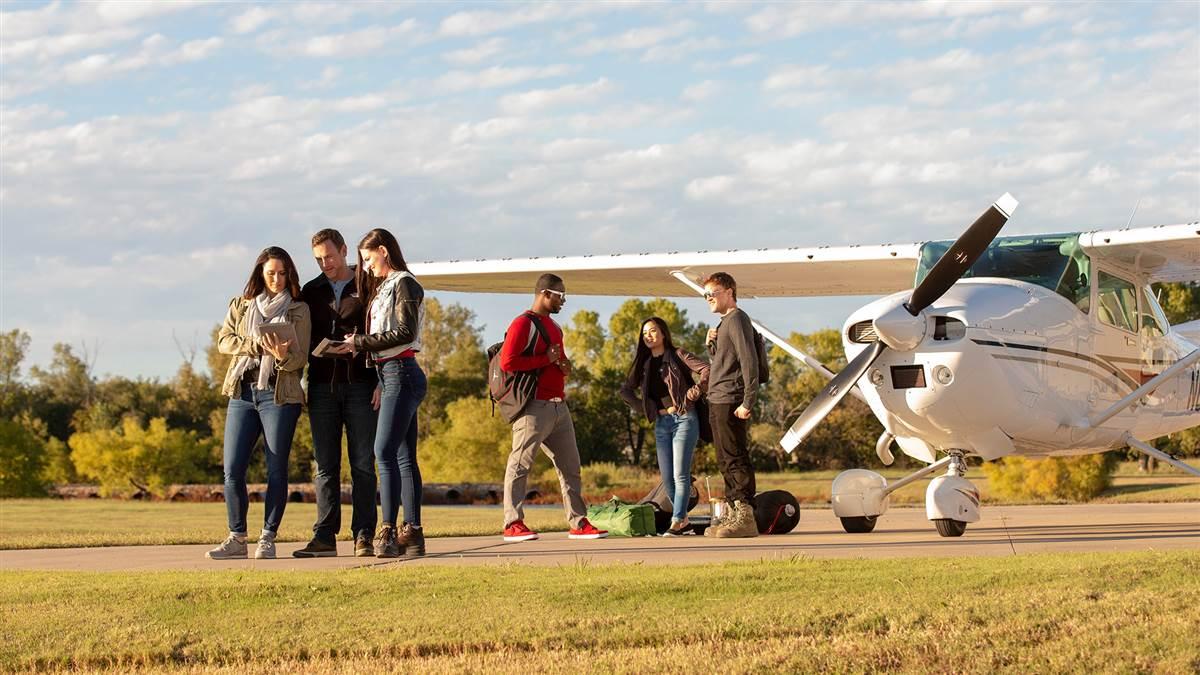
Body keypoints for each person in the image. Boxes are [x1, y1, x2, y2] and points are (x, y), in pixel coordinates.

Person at [327, 228, 428, 558]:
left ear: (383, 251)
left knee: (383, 451)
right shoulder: (385, 287)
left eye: (368, 259)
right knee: (402, 457)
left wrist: (357, 342)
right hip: (389, 374)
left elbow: (404, 332)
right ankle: (412, 533)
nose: (366, 266)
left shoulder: (405, 284)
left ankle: (388, 530)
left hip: (402, 372)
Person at [207, 247, 311, 560]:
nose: (277, 279)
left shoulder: (299, 310)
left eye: (282, 274)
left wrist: (282, 357)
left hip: (278, 394)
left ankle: (268, 537)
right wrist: (255, 344)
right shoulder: (241, 305)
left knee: (276, 468)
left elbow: (301, 358)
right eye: (270, 274)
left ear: (289, 274)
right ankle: (237, 538)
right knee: (232, 469)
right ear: (260, 274)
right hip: (242, 391)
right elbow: (224, 341)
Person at [499, 274, 607, 542]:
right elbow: (508, 363)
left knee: (571, 467)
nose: (563, 301)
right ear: (545, 294)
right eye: (560, 296)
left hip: (560, 407)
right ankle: (512, 523)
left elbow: (559, 360)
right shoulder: (522, 324)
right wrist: (544, 359)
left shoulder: (555, 328)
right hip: (534, 406)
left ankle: (579, 523)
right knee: (520, 464)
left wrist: (563, 365)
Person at [293, 229, 379, 559]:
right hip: (321, 386)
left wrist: (373, 372)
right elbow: (304, 335)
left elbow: (378, 332)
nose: (325, 263)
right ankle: (325, 536)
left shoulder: (367, 284)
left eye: (329, 256)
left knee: (362, 464)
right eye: (318, 259)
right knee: (325, 466)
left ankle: (364, 535)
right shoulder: (311, 291)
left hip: (361, 384)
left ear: (344, 251)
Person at [620, 317, 709, 536]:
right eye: (644, 333)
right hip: (661, 423)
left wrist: (691, 395)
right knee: (667, 478)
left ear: (663, 333)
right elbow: (625, 391)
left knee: (680, 474)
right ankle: (685, 521)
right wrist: (647, 409)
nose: (648, 336)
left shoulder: (678, 354)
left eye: (652, 331)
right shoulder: (643, 362)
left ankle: (677, 521)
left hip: (684, 419)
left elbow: (708, 370)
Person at [701, 271, 761, 538]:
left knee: (735, 456)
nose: (708, 299)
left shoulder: (737, 319)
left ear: (728, 292)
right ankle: (732, 512)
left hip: (731, 398)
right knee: (724, 458)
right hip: (717, 398)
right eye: (705, 296)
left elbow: (749, 360)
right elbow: (726, 363)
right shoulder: (725, 323)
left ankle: (745, 515)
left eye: (712, 294)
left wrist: (748, 399)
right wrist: (712, 347)